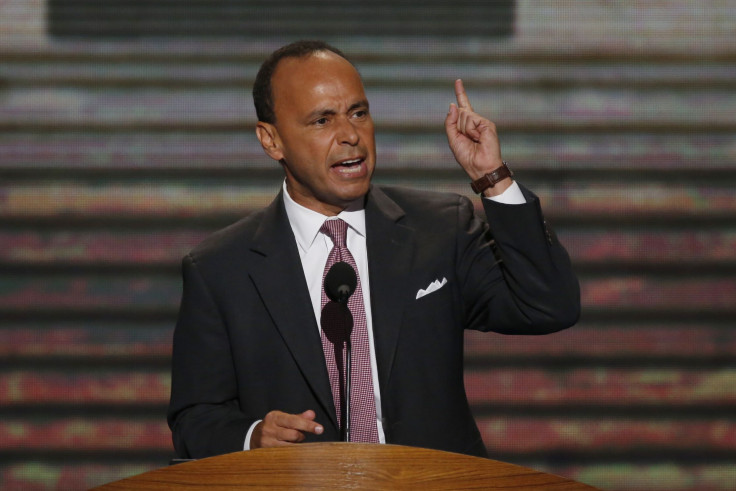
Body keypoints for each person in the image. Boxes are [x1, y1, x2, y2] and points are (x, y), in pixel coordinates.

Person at [167, 40, 580, 459]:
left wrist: (492, 177)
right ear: (271, 140)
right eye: (322, 120)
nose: (350, 136)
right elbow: (195, 418)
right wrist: (253, 436)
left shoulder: (439, 229)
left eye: (358, 113)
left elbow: (548, 305)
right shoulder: (221, 269)